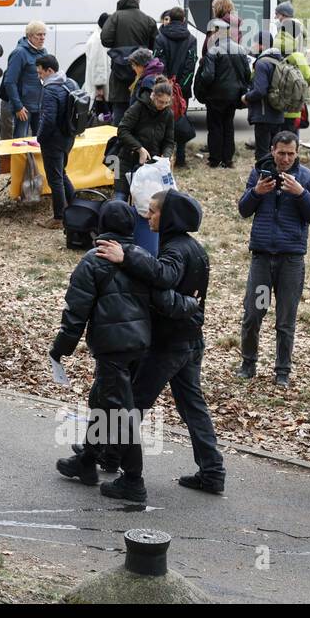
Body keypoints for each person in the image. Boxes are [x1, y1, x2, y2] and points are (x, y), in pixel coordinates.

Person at [95, 190, 225, 493]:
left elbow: (163, 276)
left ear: (170, 217)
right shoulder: (193, 247)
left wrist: (127, 255)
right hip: (190, 340)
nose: (147, 215)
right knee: (193, 407)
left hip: (169, 343)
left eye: (153, 211)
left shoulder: (176, 250)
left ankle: (118, 466)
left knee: (132, 404)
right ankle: (212, 471)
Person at [51, 200, 163, 504]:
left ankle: (134, 480)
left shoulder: (93, 260)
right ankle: (87, 461)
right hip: (141, 343)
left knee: (120, 412)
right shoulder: (140, 256)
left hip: (113, 346)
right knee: (102, 402)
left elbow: (76, 309)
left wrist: (61, 348)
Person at [236, 130, 310, 387]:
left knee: (285, 320)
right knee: (254, 313)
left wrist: (300, 193)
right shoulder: (258, 174)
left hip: (290, 261)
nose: (285, 158)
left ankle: (282, 370)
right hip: (262, 258)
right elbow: (243, 210)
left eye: (291, 154)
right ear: (272, 150)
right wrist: (257, 192)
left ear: (297, 153)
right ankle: (248, 363)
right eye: (281, 153)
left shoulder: (308, 179)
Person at [194, 18, 252, 168]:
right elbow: (247, 73)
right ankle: (228, 159)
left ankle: (215, 159)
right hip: (234, 96)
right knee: (228, 126)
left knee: (215, 127)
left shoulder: (213, 51)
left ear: (216, 33)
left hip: (215, 97)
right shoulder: (240, 49)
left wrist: (204, 89)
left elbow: (207, 76)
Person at [35, 54, 81, 229]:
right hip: (68, 137)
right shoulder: (70, 82)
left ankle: (59, 217)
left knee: (55, 178)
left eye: (40, 73)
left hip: (53, 140)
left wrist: (39, 137)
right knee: (61, 173)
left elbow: (48, 119)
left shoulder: (50, 89)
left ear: (49, 70)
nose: (39, 76)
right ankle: (75, 205)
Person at [101, 0, 157, 124]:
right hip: (140, 75)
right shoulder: (148, 20)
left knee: (119, 118)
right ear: (138, 0)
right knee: (138, 118)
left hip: (119, 75)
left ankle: (119, 143)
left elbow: (105, 40)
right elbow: (154, 45)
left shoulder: (115, 17)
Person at [115, 80, 175, 199]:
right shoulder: (138, 107)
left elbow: (169, 141)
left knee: (145, 202)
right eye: (160, 102)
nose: (162, 106)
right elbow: (122, 130)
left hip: (151, 165)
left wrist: (166, 156)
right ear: (153, 96)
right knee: (120, 197)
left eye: (166, 103)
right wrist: (139, 148)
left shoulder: (168, 114)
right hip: (125, 160)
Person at [153, 7, 197, 166]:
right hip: (182, 88)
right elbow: (190, 65)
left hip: (164, 87)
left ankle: (162, 156)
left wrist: (165, 83)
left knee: (161, 120)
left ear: (169, 19)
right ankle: (181, 156)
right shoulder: (191, 39)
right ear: (184, 20)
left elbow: (158, 63)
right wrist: (182, 85)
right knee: (180, 118)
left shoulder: (160, 38)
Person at [243, 30, 287, 159]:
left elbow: (260, 90)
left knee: (262, 153)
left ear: (261, 45)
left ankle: (264, 176)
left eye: (255, 43)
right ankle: (276, 176)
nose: (253, 46)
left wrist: (246, 97)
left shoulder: (262, 63)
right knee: (275, 152)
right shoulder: (280, 60)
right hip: (278, 112)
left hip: (263, 114)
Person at [3, 22, 47, 139]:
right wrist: (18, 106)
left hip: (39, 106)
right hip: (24, 109)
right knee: (20, 142)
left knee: (40, 141)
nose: (42, 38)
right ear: (30, 36)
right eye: (39, 34)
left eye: (44, 34)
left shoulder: (43, 52)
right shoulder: (19, 53)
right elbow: (9, 82)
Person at [274, 2, 310, 132]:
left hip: (289, 72)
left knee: (289, 112)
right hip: (300, 71)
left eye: (277, 15)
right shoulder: (299, 27)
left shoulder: (287, 28)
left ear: (283, 15)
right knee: (296, 110)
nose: (275, 18)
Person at [83, 13, 111, 119]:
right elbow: (99, 65)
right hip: (100, 89)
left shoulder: (96, 37)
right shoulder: (99, 40)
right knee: (101, 117)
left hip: (97, 86)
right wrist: (99, 87)